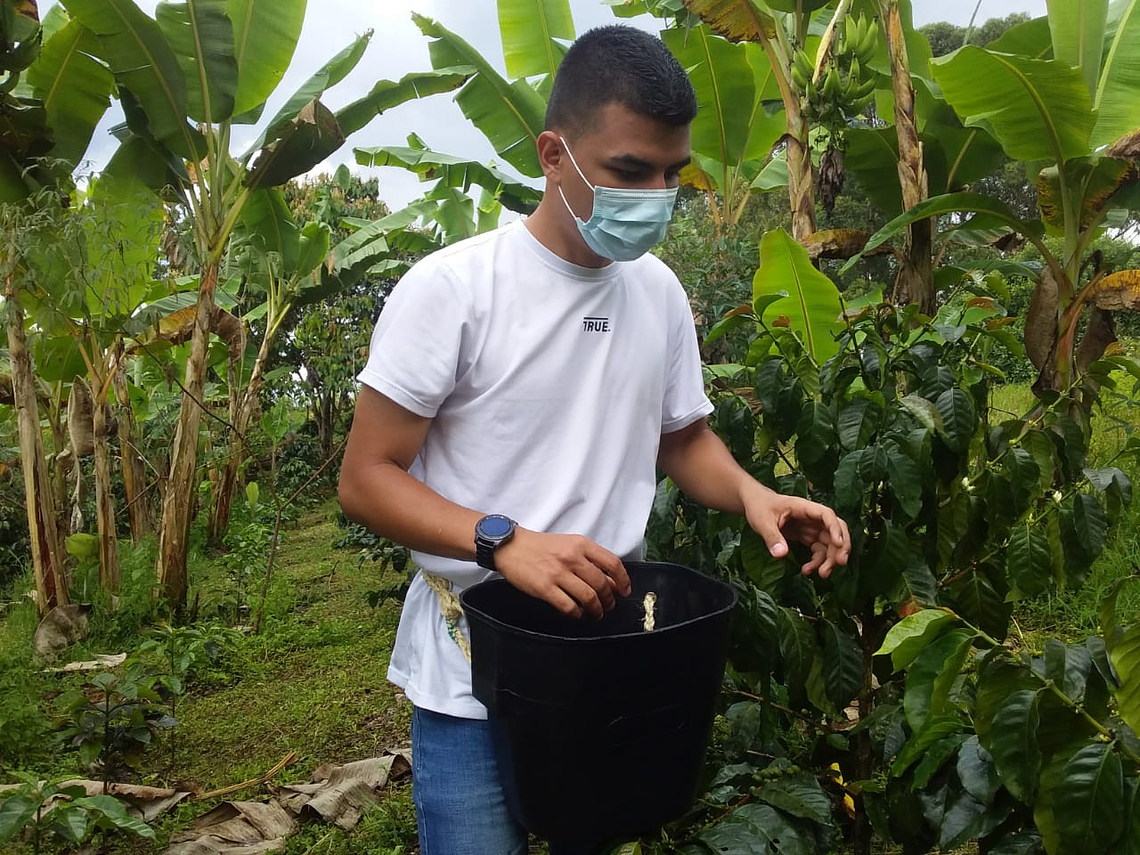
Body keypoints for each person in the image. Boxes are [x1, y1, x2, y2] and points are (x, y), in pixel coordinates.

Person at [338, 24, 850, 855]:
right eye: (628, 171)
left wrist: (755, 492)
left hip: (612, 656)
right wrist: (502, 542)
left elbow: (682, 439)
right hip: (475, 670)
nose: (655, 192)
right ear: (552, 153)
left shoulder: (658, 293)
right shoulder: (456, 290)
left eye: (670, 173)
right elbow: (365, 477)